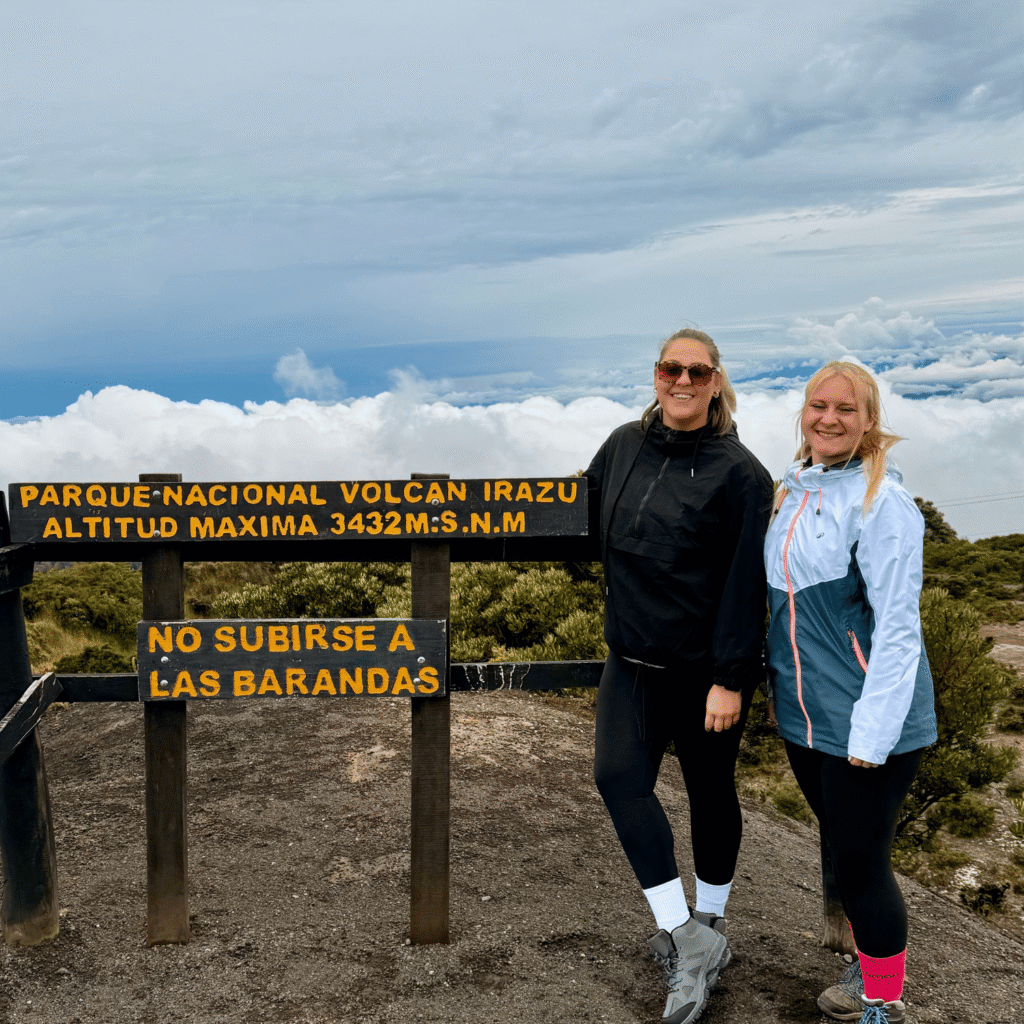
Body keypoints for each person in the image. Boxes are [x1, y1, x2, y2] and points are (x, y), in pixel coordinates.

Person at [585, 328, 773, 1024]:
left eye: (698, 371)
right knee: (618, 779)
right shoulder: (622, 445)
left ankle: (711, 924)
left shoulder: (741, 474)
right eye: (672, 368)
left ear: (716, 381)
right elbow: (581, 511)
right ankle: (686, 936)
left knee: (709, 792)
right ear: (656, 375)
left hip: (706, 675)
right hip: (629, 663)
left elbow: (743, 583)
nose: (683, 380)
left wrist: (730, 677)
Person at [764, 361, 937, 1024]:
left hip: (870, 722)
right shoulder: (792, 491)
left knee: (861, 863)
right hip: (809, 718)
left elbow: (898, 631)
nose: (829, 419)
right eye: (818, 406)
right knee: (844, 847)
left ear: (869, 423)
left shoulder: (882, 503)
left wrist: (871, 735)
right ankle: (872, 971)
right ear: (804, 414)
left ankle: (884, 1004)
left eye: (845, 409)